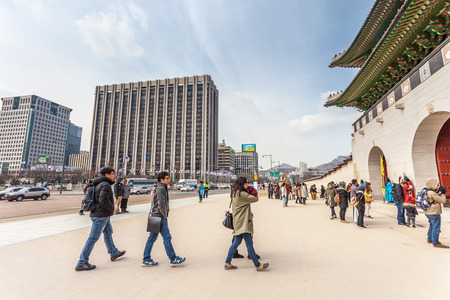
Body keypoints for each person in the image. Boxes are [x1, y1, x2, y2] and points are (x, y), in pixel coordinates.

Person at [75, 167, 126, 271]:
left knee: (108, 233)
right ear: (107, 175)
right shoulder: (105, 184)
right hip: (101, 215)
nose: (114, 176)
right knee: (93, 238)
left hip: (101, 214)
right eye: (112, 174)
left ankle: (113, 252)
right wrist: (112, 207)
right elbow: (103, 200)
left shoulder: (98, 183)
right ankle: (82, 262)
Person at [224, 177, 269, 271]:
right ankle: (258, 265)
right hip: (243, 222)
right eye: (246, 183)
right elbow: (255, 198)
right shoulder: (242, 194)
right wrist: (251, 189)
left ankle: (228, 262)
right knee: (249, 244)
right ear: (242, 184)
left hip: (238, 221)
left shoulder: (235, 193)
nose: (248, 185)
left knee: (236, 242)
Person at [142, 172, 186, 266]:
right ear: (161, 179)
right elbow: (161, 203)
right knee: (167, 237)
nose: (168, 180)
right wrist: (164, 216)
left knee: (152, 238)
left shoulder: (159, 187)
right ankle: (173, 258)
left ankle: (146, 258)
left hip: (155, 215)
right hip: (159, 216)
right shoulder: (161, 188)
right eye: (166, 178)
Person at [424, 178, 448, 248]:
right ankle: (436, 242)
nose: (437, 186)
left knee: (432, 225)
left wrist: (438, 191)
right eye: (436, 185)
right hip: (434, 212)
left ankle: (430, 238)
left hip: (428, 212)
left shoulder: (426, 190)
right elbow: (442, 200)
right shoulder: (432, 193)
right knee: (436, 227)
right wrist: (443, 194)